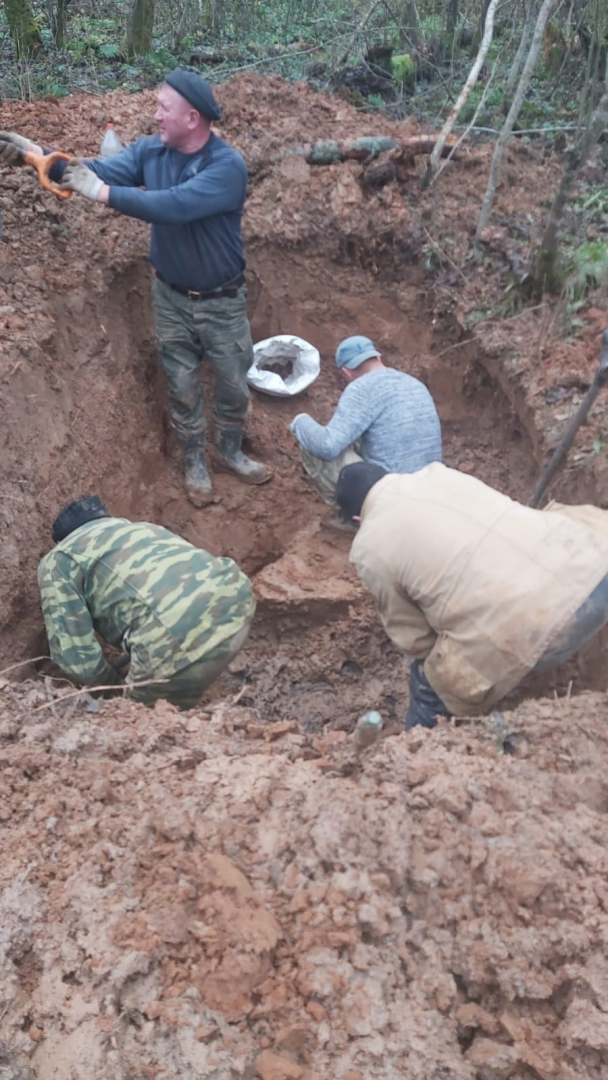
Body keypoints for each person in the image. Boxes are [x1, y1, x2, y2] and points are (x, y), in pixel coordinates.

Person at [0, 68, 270, 507]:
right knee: (181, 387)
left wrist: (102, 193)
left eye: (164, 107)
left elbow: (172, 205)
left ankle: (230, 451)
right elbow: (96, 170)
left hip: (222, 302)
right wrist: (36, 155)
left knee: (234, 385)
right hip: (170, 298)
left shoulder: (226, 168)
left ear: (193, 118)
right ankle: (194, 463)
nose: (156, 115)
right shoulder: (150, 152)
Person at [336, 460, 608, 730]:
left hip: (542, 628)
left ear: (358, 519)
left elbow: (415, 640)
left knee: (431, 686)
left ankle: (418, 756)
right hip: (594, 564)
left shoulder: (368, 546)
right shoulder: (438, 474)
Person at [37, 496, 255, 710]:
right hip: (238, 601)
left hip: (176, 640)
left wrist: (114, 689)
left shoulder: (59, 559)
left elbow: (76, 658)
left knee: (137, 722)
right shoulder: (144, 529)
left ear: (63, 538)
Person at [289, 335, 442, 508]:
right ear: (377, 357)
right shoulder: (415, 384)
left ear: (346, 372)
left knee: (311, 443)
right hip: (432, 489)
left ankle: (355, 515)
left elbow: (328, 446)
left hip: (393, 498)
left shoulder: (361, 389)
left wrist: (300, 421)